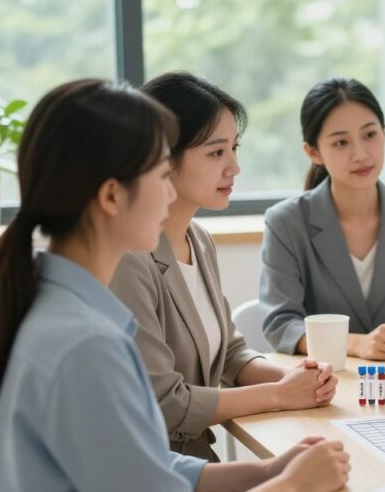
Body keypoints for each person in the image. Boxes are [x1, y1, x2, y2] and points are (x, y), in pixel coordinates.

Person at [0, 79, 358, 492]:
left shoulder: (58, 305)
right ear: (111, 196)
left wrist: (269, 469)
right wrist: (291, 485)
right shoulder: (83, 342)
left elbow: (141, 466)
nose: (168, 195)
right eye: (162, 174)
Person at [111, 71, 339, 461]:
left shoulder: (198, 240)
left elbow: (230, 355)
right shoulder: (127, 259)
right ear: (163, 158)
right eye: (217, 153)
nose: (234, 167)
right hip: (155, 472)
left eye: (235, 148)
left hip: (193, 467)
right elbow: (164, 403)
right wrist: (279, 395)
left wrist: (301, 378)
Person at [261, 77, 385, 360]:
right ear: (313, 152)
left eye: (370, 135)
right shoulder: (286, 222)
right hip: (326, 385)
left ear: (384, 134)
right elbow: (281, 324)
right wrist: (355, 344)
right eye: (341, 142)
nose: (360, 154)